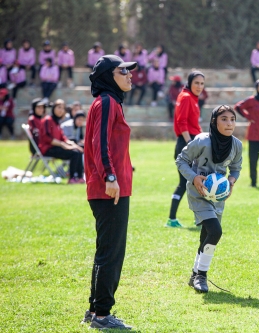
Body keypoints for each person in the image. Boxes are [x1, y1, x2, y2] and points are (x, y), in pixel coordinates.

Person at [82, 54, 136, 330]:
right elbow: (98, 142)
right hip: (109, 189)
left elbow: (109, 145)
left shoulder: (110, 102)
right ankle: (102, 315)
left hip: (109, 186)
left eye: (130, 71)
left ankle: (94, 310)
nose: (130, 75)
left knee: (106, 250)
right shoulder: (106, 102)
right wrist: (111, 176)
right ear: (107, 76)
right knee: (112, 252)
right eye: (123, 71)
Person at [176, 105, 242, 293]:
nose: (229, 123)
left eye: (232, 119)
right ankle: (201, 276)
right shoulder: (202, 141)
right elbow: (181, 160)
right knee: (215, 231)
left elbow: (236, 168)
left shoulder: (236, 145)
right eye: (224, 119)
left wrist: (231, 180)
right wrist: (194, 177)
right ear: (214, 121)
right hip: (199, 193)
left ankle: (195, 274)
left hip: (218, 197)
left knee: (207, 234)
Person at [167, 71, 205, 228]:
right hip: (186, 143)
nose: (199, 86)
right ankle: (201, 219)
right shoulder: (186, 97)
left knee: (187, 183)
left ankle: (172, 219)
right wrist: (191, 144)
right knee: (193, 181)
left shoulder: (191, 98)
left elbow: (193, 124)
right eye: (196, 83)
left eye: (202, 83)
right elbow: (181, 122)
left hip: (190, 142)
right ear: (190, 83)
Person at [39, 99, 85, 183]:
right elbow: (47, 138)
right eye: (59, 107)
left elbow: (63, 137)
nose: (61, 110)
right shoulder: (47, 120)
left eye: (63, 108)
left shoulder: (57, 122)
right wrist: (63, 145)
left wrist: (74, 145)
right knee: (74, 153)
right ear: (54, 108)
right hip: (48, 149)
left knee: (78, 150)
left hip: (57, 147)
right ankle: (72, 178)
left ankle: (80, 177)